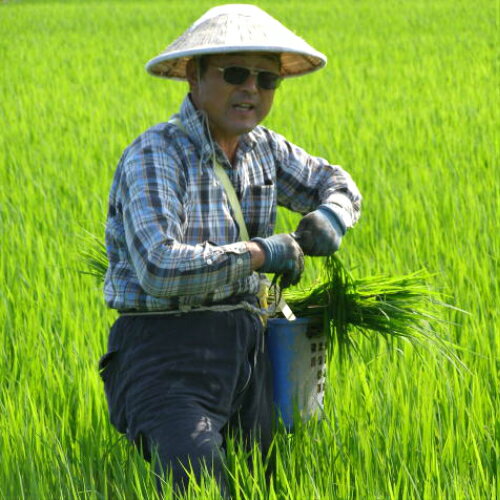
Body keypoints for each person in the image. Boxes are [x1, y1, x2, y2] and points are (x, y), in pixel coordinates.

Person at [99, 4, 361, 496]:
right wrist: (261, 253)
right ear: (195, 78)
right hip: (165, 353)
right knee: (199, 482)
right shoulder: (157, 154)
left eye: (267, 80)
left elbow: (337, 182)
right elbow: (159, 266)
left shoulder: (265, 149)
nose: (252, 90)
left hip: (249, 351)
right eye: (236, 73)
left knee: (260, 484)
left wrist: (332, 214)